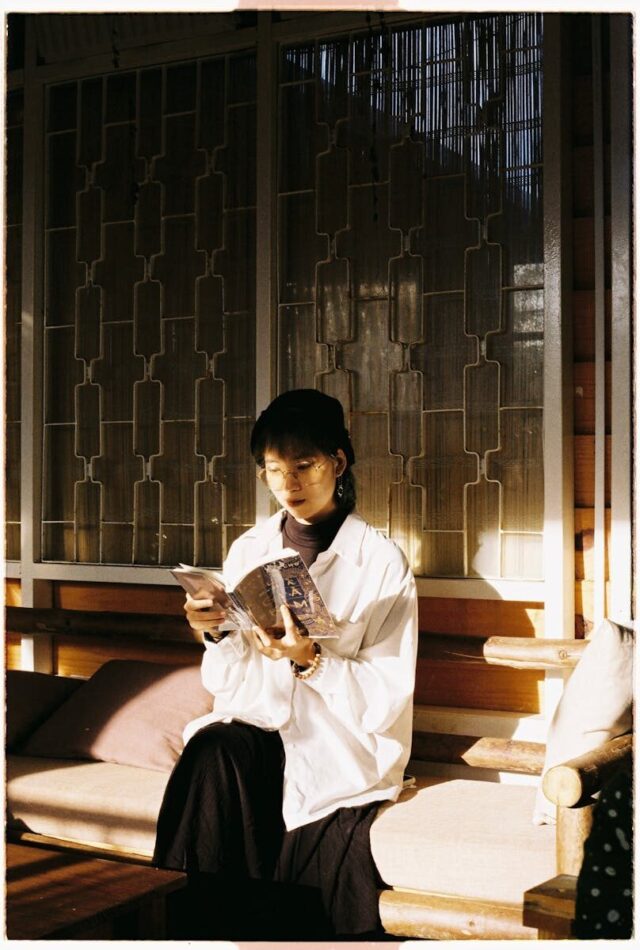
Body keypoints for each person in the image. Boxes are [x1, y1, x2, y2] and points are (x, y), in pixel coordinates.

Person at [153, 389, 418, 939]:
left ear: (338, 463)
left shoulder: (380, 562)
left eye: (304, 466)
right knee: (211, 751)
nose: (289, 485)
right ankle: (188, 929)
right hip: (261, 724)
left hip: (337, 738)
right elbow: (226, 683)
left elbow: (387, 694)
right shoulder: (250, 548)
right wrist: (216, 633)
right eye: (274, 470)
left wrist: (313, 659)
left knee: (319, 831)